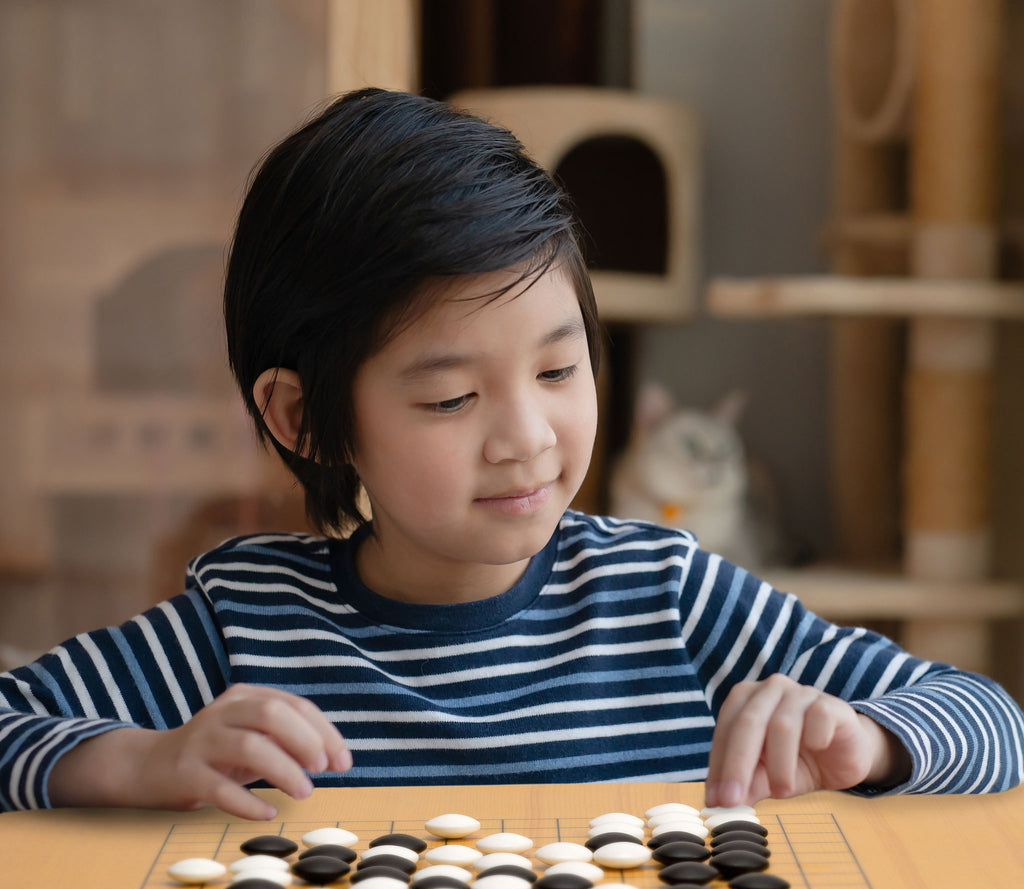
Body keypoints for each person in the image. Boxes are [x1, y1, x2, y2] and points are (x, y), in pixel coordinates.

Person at [2, 88, 1022, 821]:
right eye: (451, 396)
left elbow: (988, 719)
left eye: (557, 370)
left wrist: (871, 738)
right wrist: (140, 761)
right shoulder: (247, 624)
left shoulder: (666, 594)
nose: (528, 439)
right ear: (304, 419)